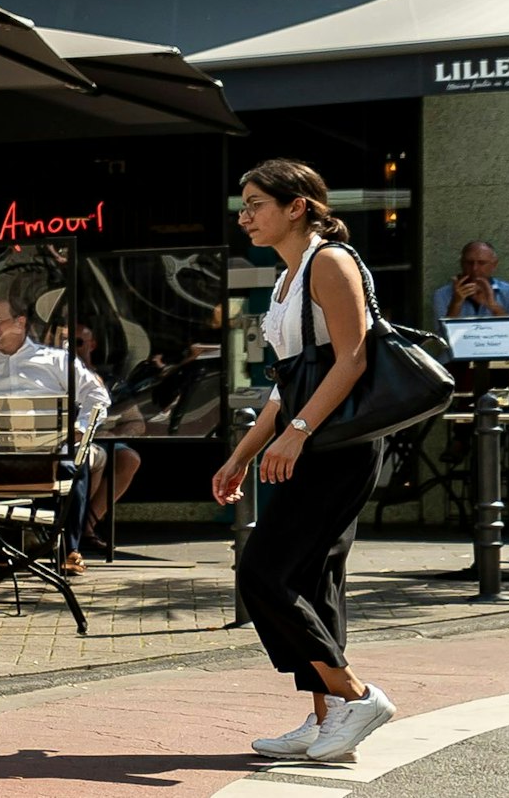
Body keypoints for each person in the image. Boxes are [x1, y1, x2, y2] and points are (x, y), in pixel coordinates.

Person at [212, 158, 398, 764]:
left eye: (257, 203)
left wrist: (294, 433)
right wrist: (242, 453)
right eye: (244, 205)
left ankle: (357, 696)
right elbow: (284, 383)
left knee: (266, 573)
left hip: (336, 447)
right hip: (307, 439)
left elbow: (352, 359)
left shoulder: (331, 262)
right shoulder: (287, 277)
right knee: (313, 582)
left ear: (297, 207)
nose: (246, 216)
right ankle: (328, 721)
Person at [0, 294, 131, 575]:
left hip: (49, 454)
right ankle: (0, 549)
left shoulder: (57, 360)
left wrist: (80, 429)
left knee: (75, 461)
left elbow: (98, 395)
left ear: (20, 322)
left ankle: (70, 550)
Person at [430, 241, 509, 330]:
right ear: (461, 264)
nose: (475, 268)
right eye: (469, 263)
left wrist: (493, 306)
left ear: (494, 265)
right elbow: (442, 337)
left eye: (482, 263)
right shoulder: (443, 294)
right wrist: (455, 303)